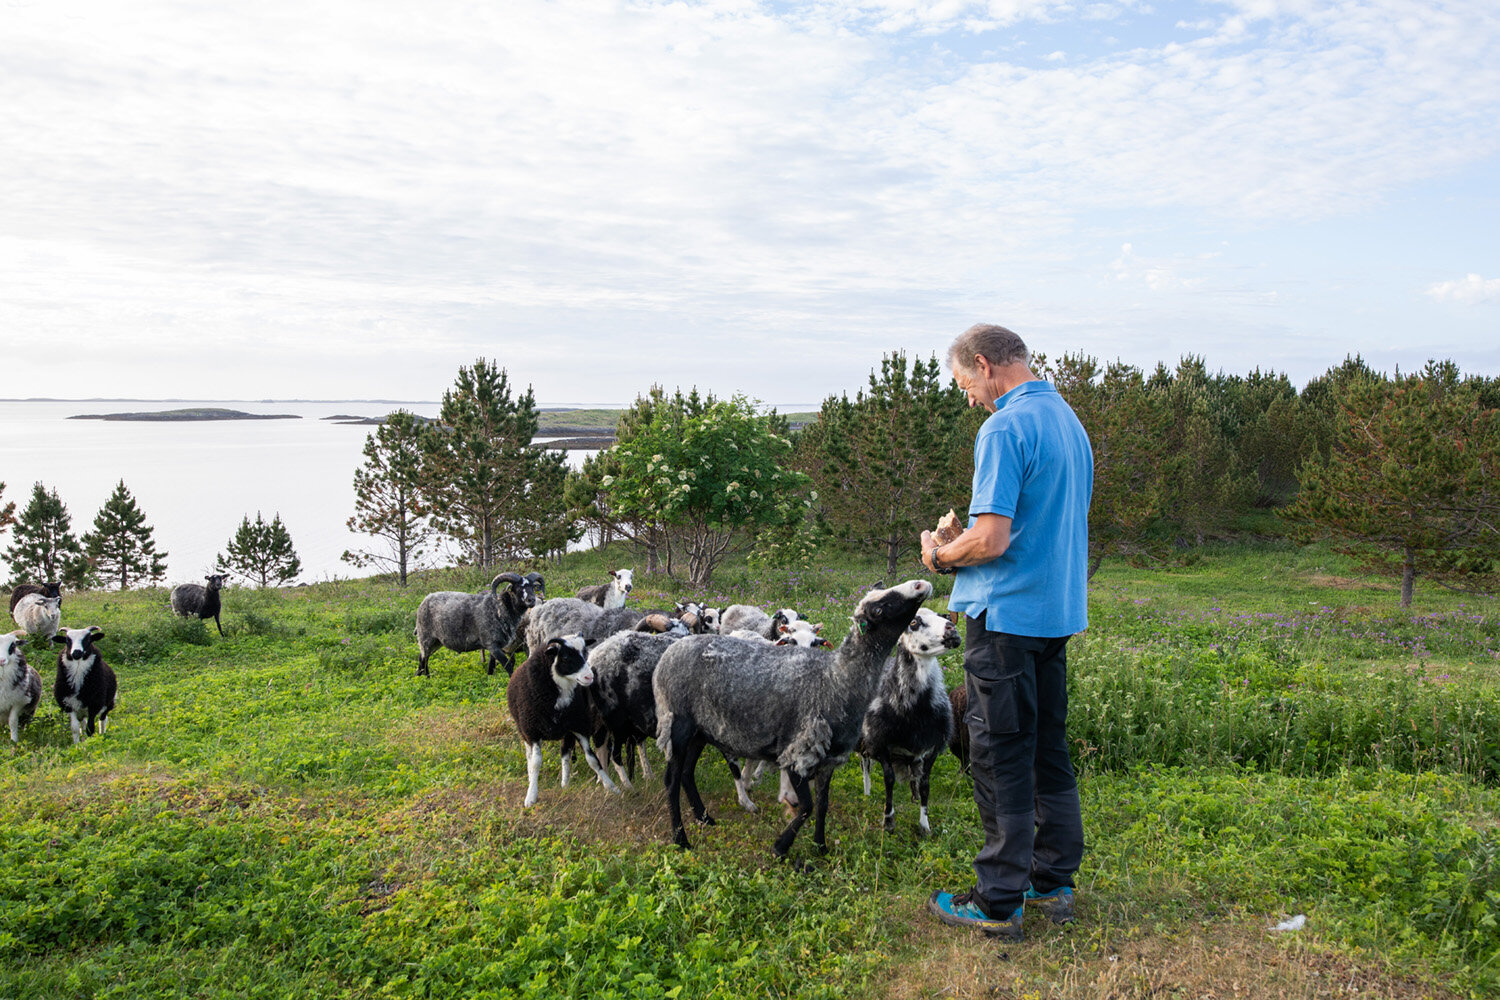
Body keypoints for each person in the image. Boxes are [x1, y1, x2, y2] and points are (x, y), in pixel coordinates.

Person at [920, 323, 1093, 941]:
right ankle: (1053, 879)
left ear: (986, 365)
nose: (968, 397)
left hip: (1007, 618)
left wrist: (939, 555)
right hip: (1056, 612)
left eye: (966, 383)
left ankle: (998, 901)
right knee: (1047, 745)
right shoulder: (1067, 420)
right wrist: (960, 541)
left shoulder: (1004, 427)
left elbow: (991, 540)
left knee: (998, 752)